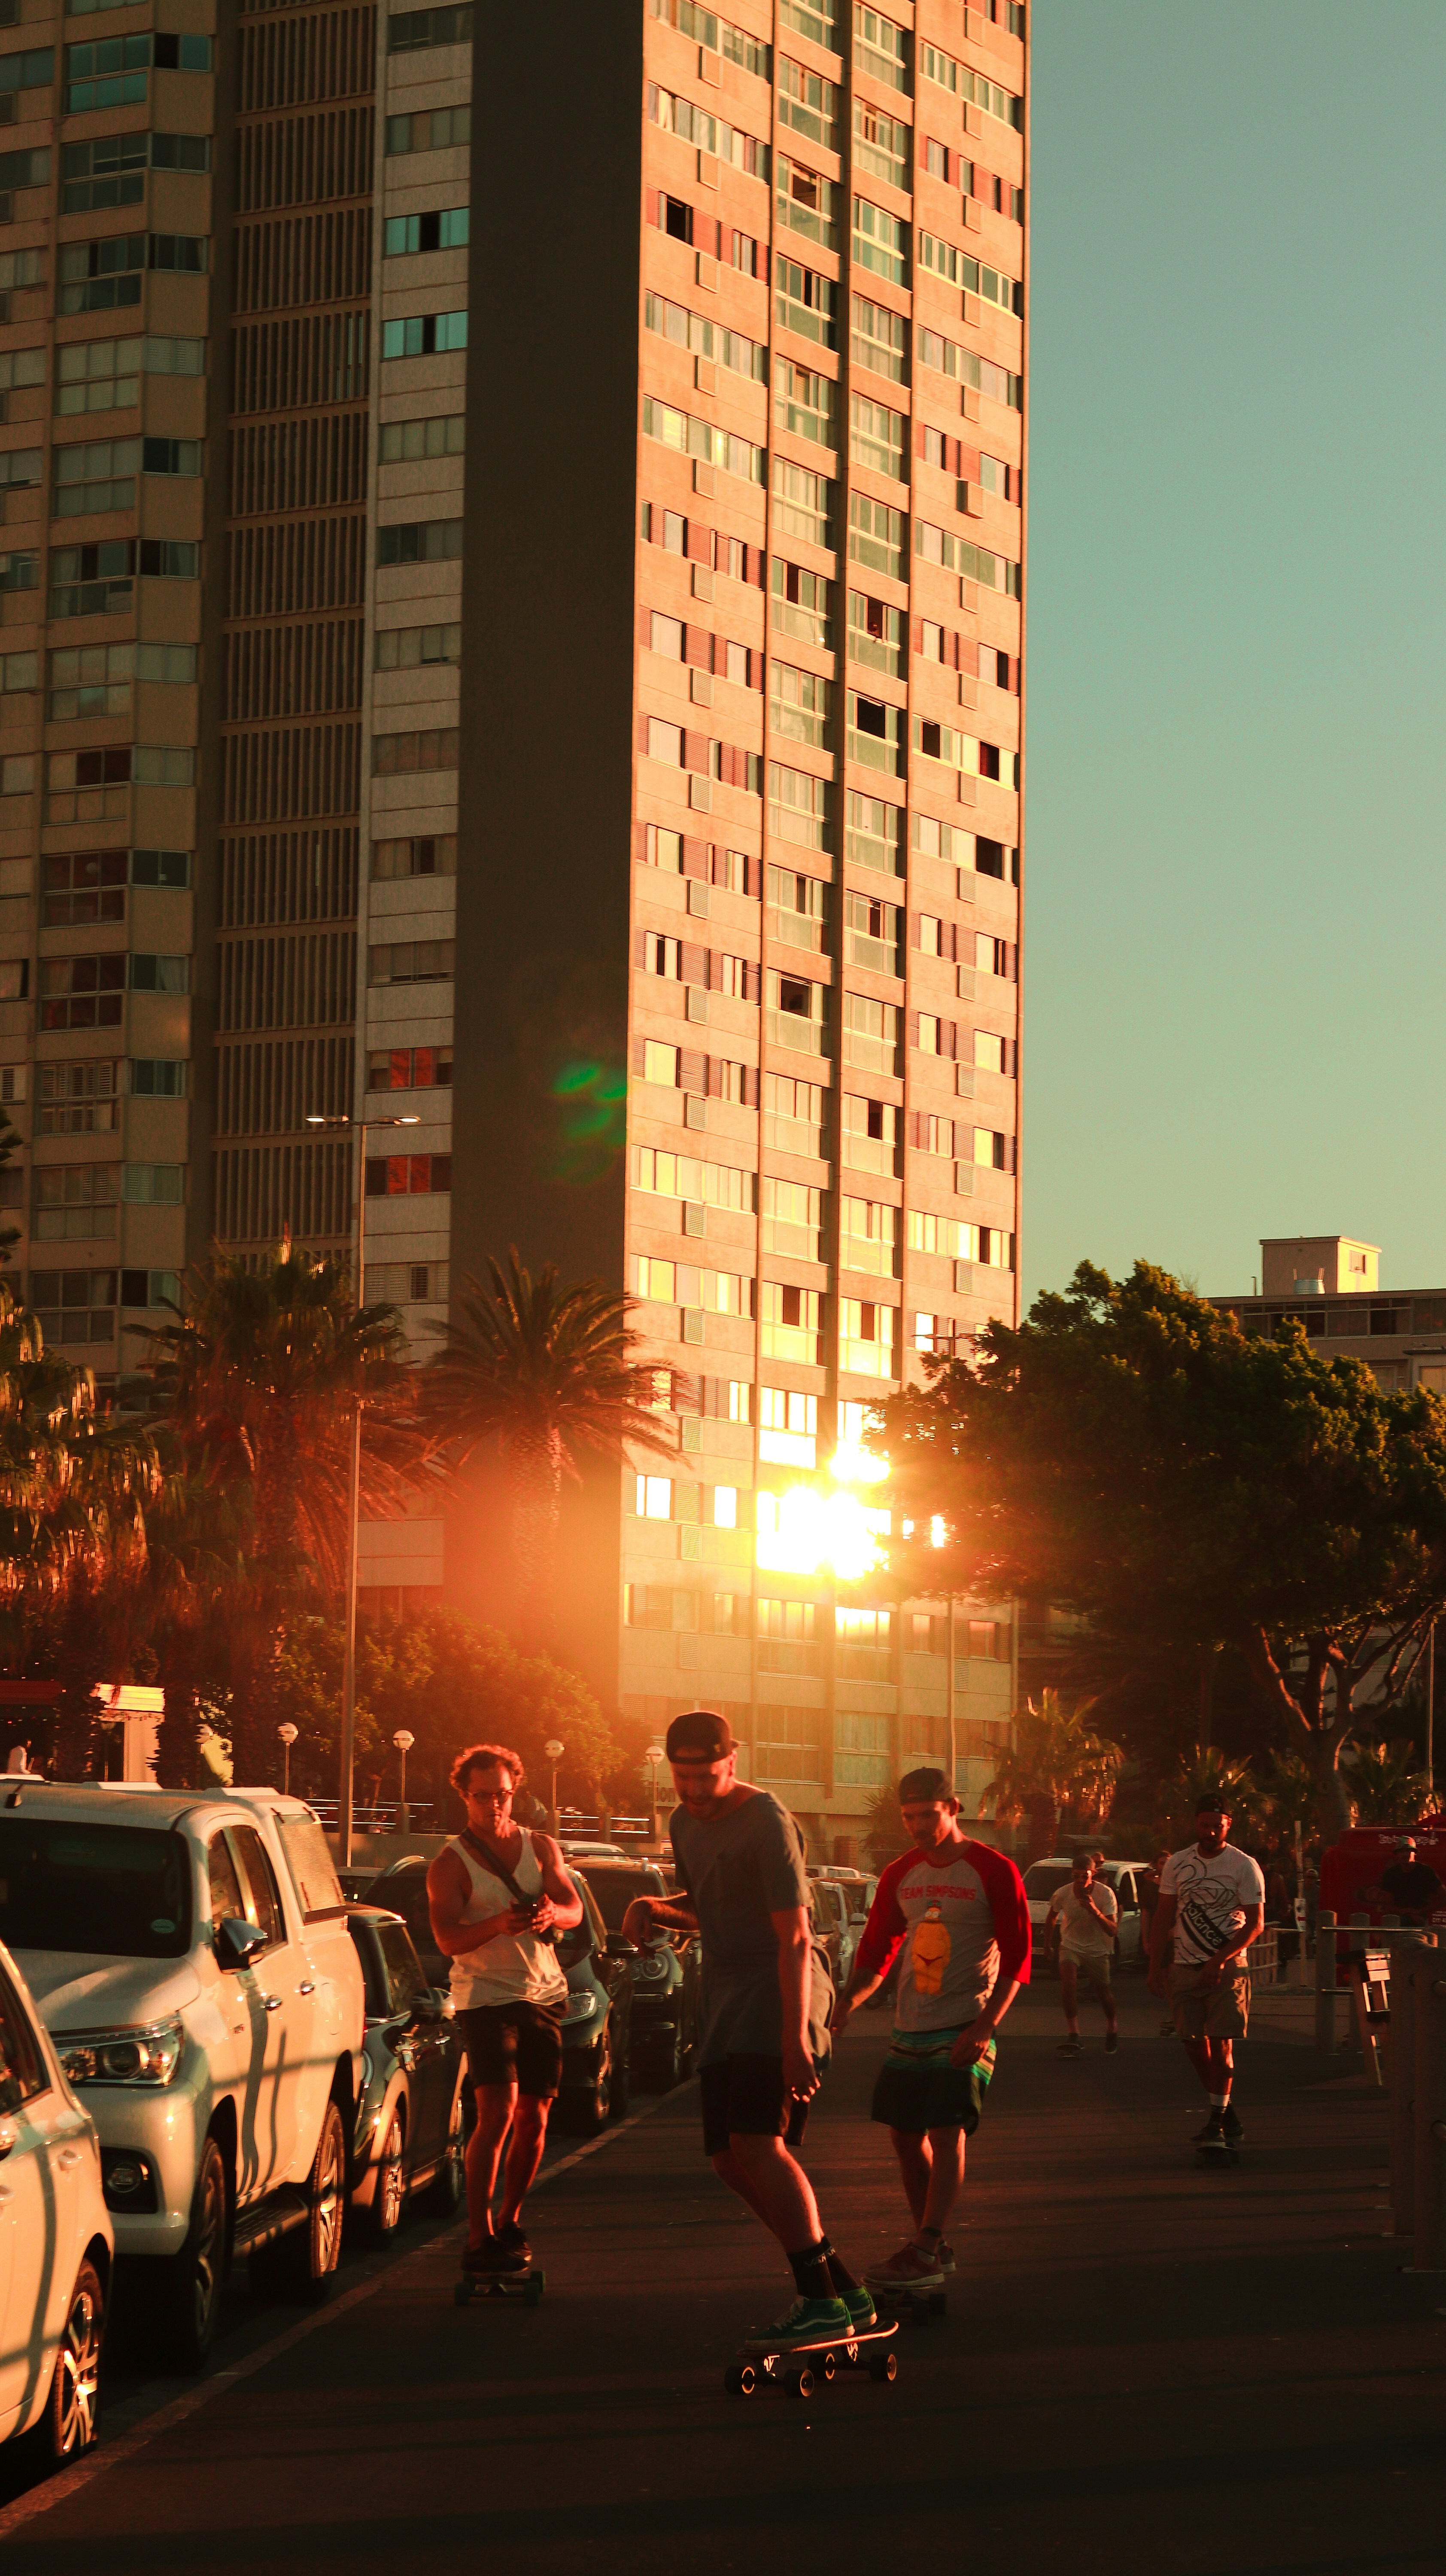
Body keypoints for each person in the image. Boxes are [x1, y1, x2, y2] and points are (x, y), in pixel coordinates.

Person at [620, 1710, 870, 2348]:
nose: (696, 1792)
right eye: (683, 1779)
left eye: (707, 1777)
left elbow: (793, 1936)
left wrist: (793, 2044)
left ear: (732, 1762)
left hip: (780, 1987)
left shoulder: (766, 1821)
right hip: (728, 1997)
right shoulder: (682, 1823)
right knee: (729, 2161)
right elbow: (706, 1909)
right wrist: (653, 1907)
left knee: (758, 2144)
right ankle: (841, 2286)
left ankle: (817, 2300)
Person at [832, 1768, 1030, 2291]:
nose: (918, 1826)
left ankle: (923, 2246)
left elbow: (1018, 1959)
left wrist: (986, 2026)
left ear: (953, 1809)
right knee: (903, 2137)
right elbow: (877, 1948)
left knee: (946, 2131)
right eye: (909, 1817)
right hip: (909, 2026)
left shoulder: (994, 1870)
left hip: (966, 2021)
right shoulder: (900, 1874)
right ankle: (932, 2243)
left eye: (928, 1815)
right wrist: (848, 2001)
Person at [427, 1742, 583, 2275]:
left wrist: (549, 1915)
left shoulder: (541, 1847)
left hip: (542, 1992)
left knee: (535, 2116)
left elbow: (574, 1909)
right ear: (464, 1797)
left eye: (503, 1795)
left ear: (515, 1792)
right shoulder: (450, 1863)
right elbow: (447, 1938)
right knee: (496, 2111)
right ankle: (478, 2235)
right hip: (485, 1997)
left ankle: (510, 2219)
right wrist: (496, 1924)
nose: (494, 1806)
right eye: (482, 1797)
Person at [1148, 1794, 1264, 2148]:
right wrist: (1156, 1965)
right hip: (1184, 1965)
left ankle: (1215, 2121)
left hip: (1226, 1969)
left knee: (1222, 2043)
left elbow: (1255, 1924)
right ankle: (1226, 2113)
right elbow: (1164, 1915)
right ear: (1196, 1824)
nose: (1212, 1831)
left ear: (1228, 1825)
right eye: (1206, 1825)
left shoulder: (1244, 1865)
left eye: (1219, 1825)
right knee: (1192, 2044)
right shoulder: (1179, 1863)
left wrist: (1220, 1960)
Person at [1047, 1853, 1118, 2056]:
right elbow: (1052, 1917)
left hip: (1097, 1948)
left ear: (1093, 1874)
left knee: (1103, 1992)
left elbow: (1113, 1930)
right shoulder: (1063, 1893)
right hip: (1071, 1944)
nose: (1080, 1881)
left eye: (1085, 1876)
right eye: (1076, 1876)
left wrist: (1094, 1910)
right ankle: (1074, 2033)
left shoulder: (1106, 1894)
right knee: (1068, 1981)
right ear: (1072, 1874)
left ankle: (1112, 2027)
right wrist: (1047, 1945)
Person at [1137, 1847, 1175, 2035]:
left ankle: (1181, 2015)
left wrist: (1173, 1932)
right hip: (1158, 1935)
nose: (1165, 1866)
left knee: (1177, 1976)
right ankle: (1176, 2014)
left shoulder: (1179, 1885)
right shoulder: (1150, 1888)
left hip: (1177, 1936)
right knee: (1165, 1976)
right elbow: (1146, 1915)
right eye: (1162, 1863)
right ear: (1156, 1865)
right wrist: (1146, 1940)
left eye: (1168, 1862)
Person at [1372, 1835, 1446, 1925]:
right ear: (1397, 1854)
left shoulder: (1426, 1872)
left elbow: (1444, 1897)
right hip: (1397, 1922)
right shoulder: (1390, 1874)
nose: (1405, 1854)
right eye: (1401, 1851)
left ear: (1415, 1853)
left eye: (1408, 1851)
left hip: (1420, 1921)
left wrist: (1420, 1912)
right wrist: (1409, 1914)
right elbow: (1388, 1904)